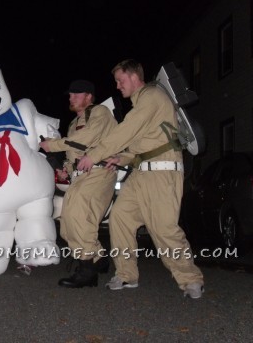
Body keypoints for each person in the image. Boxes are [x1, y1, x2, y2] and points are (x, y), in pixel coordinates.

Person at [77, 59, 204, 298]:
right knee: (120, 218)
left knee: (163, 228)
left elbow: (127, 130)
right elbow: (141, 142)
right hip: (142, 172)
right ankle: (126, 275)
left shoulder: (152, 96)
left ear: (134, 77)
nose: (117, 86)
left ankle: (190, 278)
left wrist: (94, 156)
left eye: (120, 80)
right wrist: (122, 158)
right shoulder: (143, 103)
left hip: (162, 172)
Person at [40, 79, 118, 288]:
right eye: (70, 94)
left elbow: (87, 138)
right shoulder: (74, 124)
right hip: (80, 177)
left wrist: (52, 145)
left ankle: (87, 271)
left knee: (79, 217)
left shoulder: (99, 112)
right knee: (67, 222)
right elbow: (73, 153)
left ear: (89, 97)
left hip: (99, 172)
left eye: (76, 94)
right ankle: (99, 258)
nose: (71, 97)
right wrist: (64, 169)